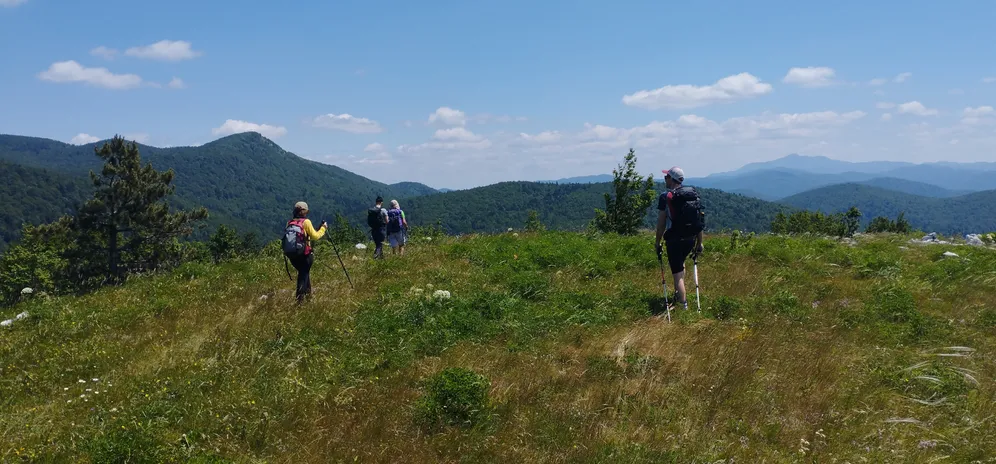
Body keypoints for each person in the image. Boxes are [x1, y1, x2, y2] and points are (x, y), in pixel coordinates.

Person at [654, 166, 705, 311]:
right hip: (690, 238)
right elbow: (698, 223)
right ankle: (678, 296)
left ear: (671, 179)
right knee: (680, 264)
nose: (665, 179)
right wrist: (699, 243)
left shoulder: (666, 196)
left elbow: (661, 223)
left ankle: (683, 306)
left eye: (666, 177)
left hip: (674, 239)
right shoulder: (692, 195)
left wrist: (657, 242)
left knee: (677, 275)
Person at [286, 201, 327, 304]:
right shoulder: (306, 222)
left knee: (304, 274)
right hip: (305, 255)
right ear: (304, 212)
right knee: (303, 276)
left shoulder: (290, 222)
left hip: (293, 255)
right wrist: (323, 228)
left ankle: (309, 298)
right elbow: (315, 236)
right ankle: (299, 302)